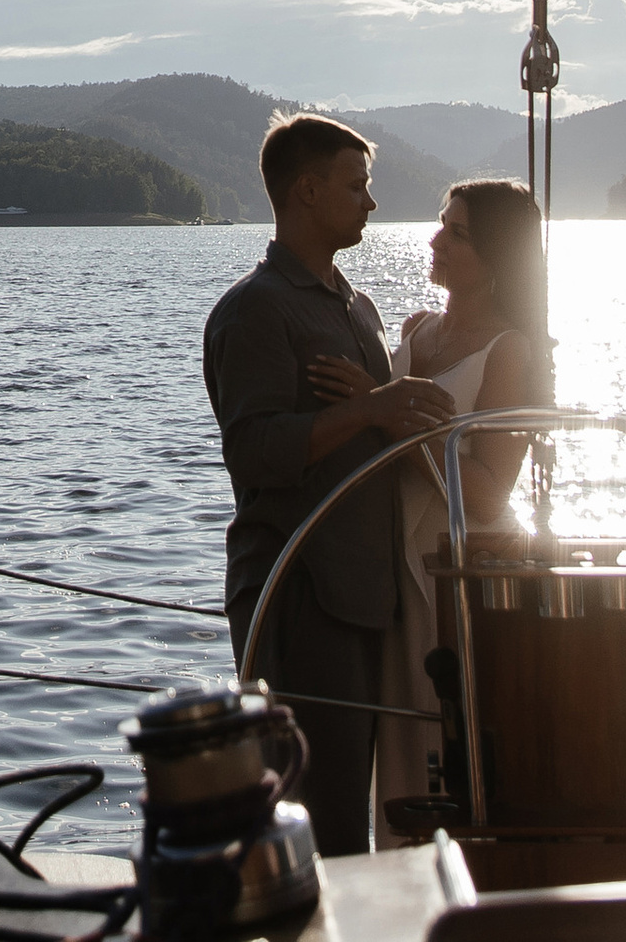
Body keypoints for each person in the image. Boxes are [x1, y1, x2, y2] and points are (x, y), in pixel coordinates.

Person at [201, 114, 458, 856]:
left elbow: (375, 424)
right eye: (357, 186)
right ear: (307, 192)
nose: (370, 203)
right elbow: (253, 452)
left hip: (367, 598)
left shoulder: (357, 307)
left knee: (355, 819)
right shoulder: (255, 310)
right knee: (318, 824)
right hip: (298, 593)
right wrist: (372, 409)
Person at [364, 178, 553, 835]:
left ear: (497, 255)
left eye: (459, 232)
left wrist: (402, 426)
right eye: (442, 222)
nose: (436, 238)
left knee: (452, 745)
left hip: (464, 572)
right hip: (397, 562)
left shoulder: (511, 351)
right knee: (400, 747)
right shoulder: (417, 330)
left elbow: (490, 490)